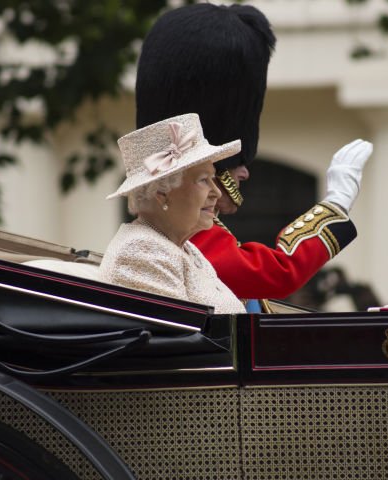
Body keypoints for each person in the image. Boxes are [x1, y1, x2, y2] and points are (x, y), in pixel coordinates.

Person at [135, 3, 373, 311]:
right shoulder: (186, 236)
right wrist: (335, 204)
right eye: (211, 171)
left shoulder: (195, 232)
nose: (245, 172)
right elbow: (278, 272)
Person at [99, 113, 246, 314]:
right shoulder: (143, 251)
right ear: (162, 194)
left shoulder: (184, 248)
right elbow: (185, 341)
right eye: (204, 180)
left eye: (213, 179)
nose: (217, 193)